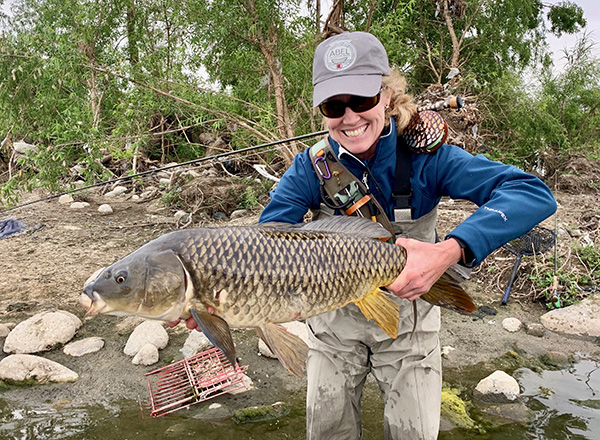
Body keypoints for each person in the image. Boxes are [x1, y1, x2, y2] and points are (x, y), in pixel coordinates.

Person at [173, 31, 556, 439]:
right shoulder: (309, 167)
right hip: (333, 332)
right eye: (334, 105)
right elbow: (264, 243)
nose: (350, 117)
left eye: (362, 100)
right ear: (321, 110)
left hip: (410, 328)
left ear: (387, 95)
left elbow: (531, 194)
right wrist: (211, 303)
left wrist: (450, 251)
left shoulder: (430, 160)